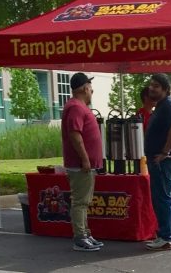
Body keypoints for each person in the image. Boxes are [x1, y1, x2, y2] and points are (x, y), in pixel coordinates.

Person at [61, 72, 104, 252]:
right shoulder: (76, 107)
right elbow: (75, 134)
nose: (92, 90)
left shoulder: (78, 106)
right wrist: (85, 159)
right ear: (85, 88)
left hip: (85, 165)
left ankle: (85, 233)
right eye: (90, 87)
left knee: (84, 201)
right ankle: (80, 237)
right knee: (80, 201)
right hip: (80, 165)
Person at [144, 73, 171, 250]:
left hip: (163, 160)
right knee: (166, 198)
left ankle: (165, 235)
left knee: (162, 198)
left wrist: (165, 152)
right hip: (159, 159)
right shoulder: (161, 106)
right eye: (151, 85)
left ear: (165, 89)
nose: (152, 88)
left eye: (156, 86)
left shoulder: (169, 105)